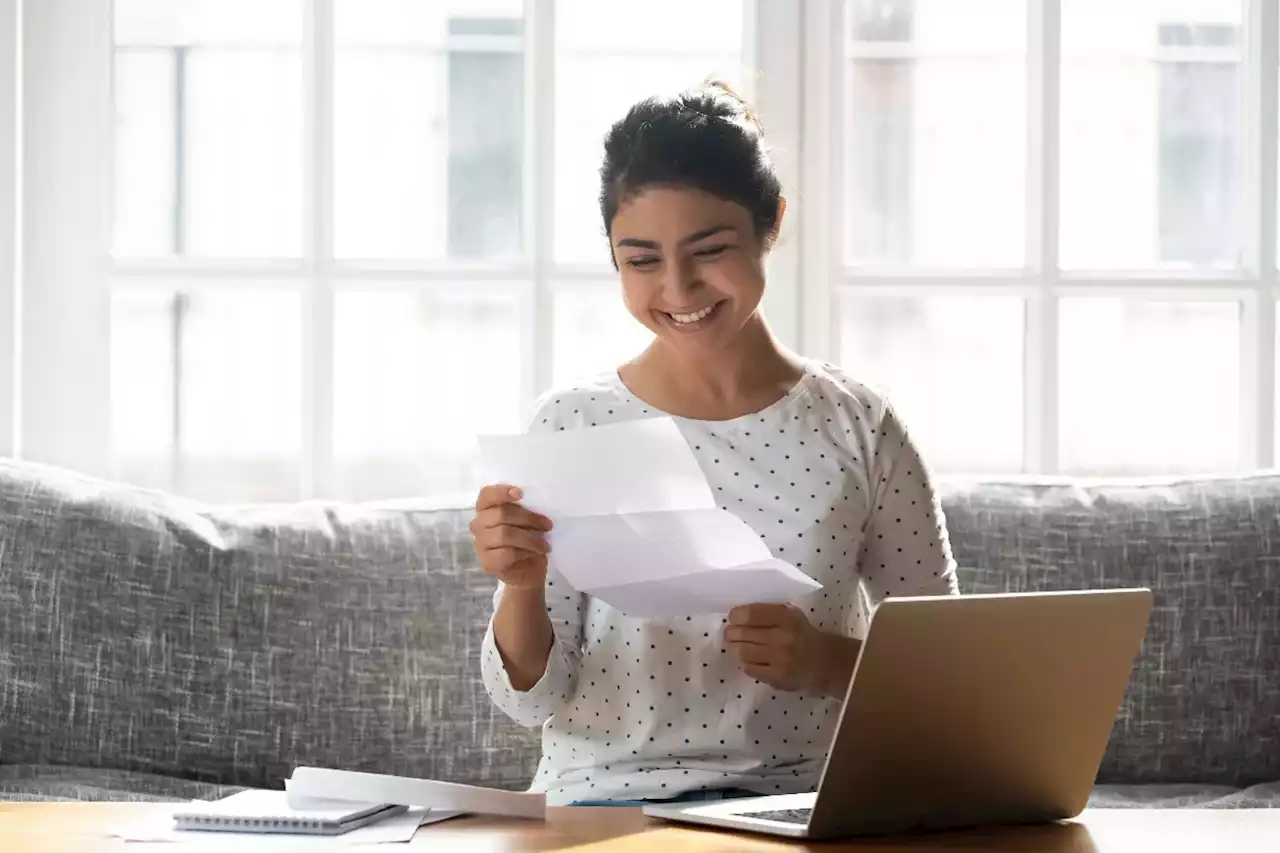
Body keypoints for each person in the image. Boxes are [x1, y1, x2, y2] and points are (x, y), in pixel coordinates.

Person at [472, 80, 958, 807]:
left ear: (772, 225)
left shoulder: (861, 425)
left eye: (709, 249)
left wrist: (830, 663)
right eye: (640, 260)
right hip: (606, 803)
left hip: (801, 803)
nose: (678, 287)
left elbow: (952, 680)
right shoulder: (571, 423)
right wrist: (519, 582)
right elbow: (529, 701)